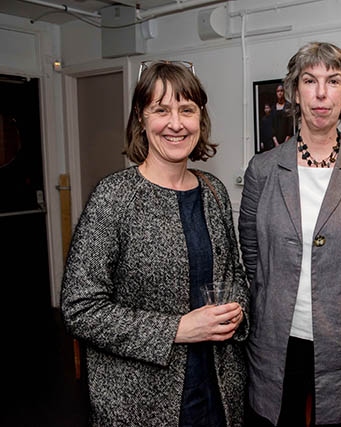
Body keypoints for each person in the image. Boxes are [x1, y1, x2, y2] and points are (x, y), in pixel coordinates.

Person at [60, 60, 249, 427]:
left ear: (200, 119)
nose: (176, 123)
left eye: (187, 110)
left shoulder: (214, 191)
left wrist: (237, 309)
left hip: (219, 389)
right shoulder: (114, 196)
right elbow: (79, 307)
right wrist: (176, 329)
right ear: (141, 119)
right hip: (141, 401)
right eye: (161, 110)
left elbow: (235, 273)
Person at [239, 41, 341, 427]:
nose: (321, 93)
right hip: (277, 335)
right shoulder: (263, 169)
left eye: (333, 81)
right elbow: (252, 251)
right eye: (310, 81)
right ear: (294, 92)